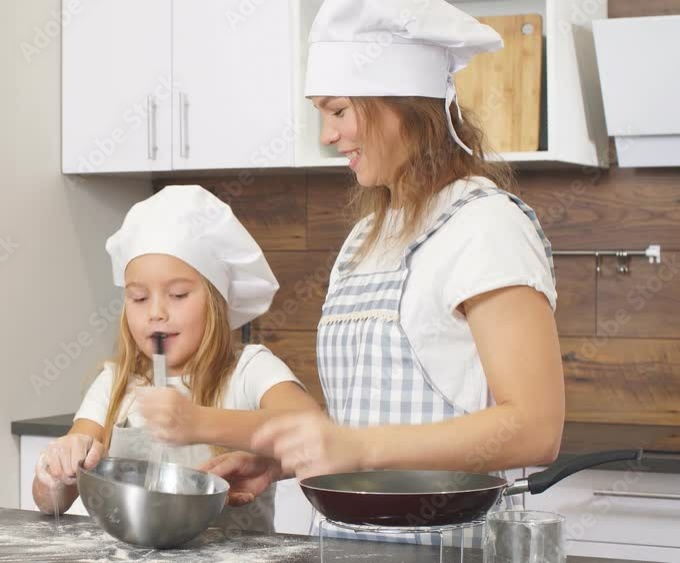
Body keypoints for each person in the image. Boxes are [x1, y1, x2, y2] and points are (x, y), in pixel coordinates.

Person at [204, 0, 565, 547]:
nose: (327, 134)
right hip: (349, 545)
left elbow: (536, 428)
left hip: (452, 549)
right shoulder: (365, 240)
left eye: (339, 110)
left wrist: (359, 451)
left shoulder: (485, 226)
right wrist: (282, 461)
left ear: (401, 107)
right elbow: (366, 417)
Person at [32, 184, 322, 533]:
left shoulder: (250, 370)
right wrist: (58, 469)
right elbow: (51, 502)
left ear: (217, 300)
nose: (156, 312)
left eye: (178, 294)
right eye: (138, 298)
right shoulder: (116, 383)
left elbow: (313, 429)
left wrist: (196, 420)